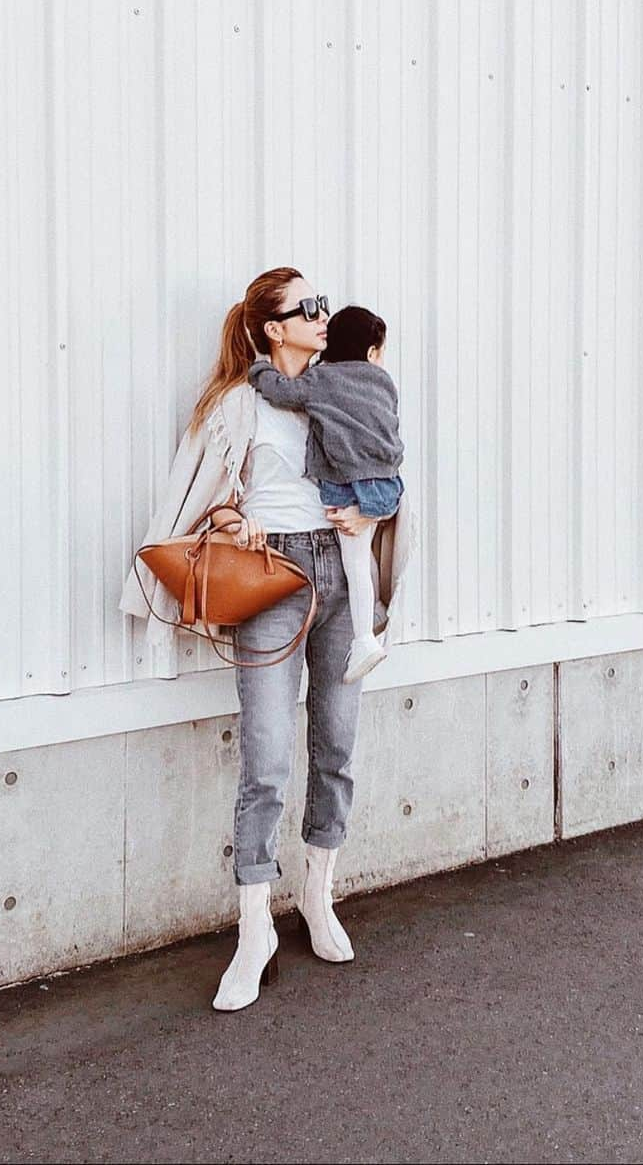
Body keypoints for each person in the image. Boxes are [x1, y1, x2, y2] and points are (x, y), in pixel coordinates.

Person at [119, 268, 417, 1013]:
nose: (324, 316)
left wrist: (373, 517)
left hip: (340, 577)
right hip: (272, 577)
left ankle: (318, 894)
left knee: (339, 743)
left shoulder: (340, 384)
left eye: (324, 304)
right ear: (271, 329)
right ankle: (255, 929)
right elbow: (205, 502)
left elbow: (387, 462)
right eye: (306, 309)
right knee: (267, 758)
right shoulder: (239, 405)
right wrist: (232, 521)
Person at [246, 304, 404, 684]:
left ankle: (365, 639)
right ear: (371, 353)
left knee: (353, 565)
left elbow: (281, 392)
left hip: (343, 486)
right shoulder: (383, 383)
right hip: (385, 483)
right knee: (359, 565)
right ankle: (368, 632)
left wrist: (258, 368)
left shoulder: (323, 379)